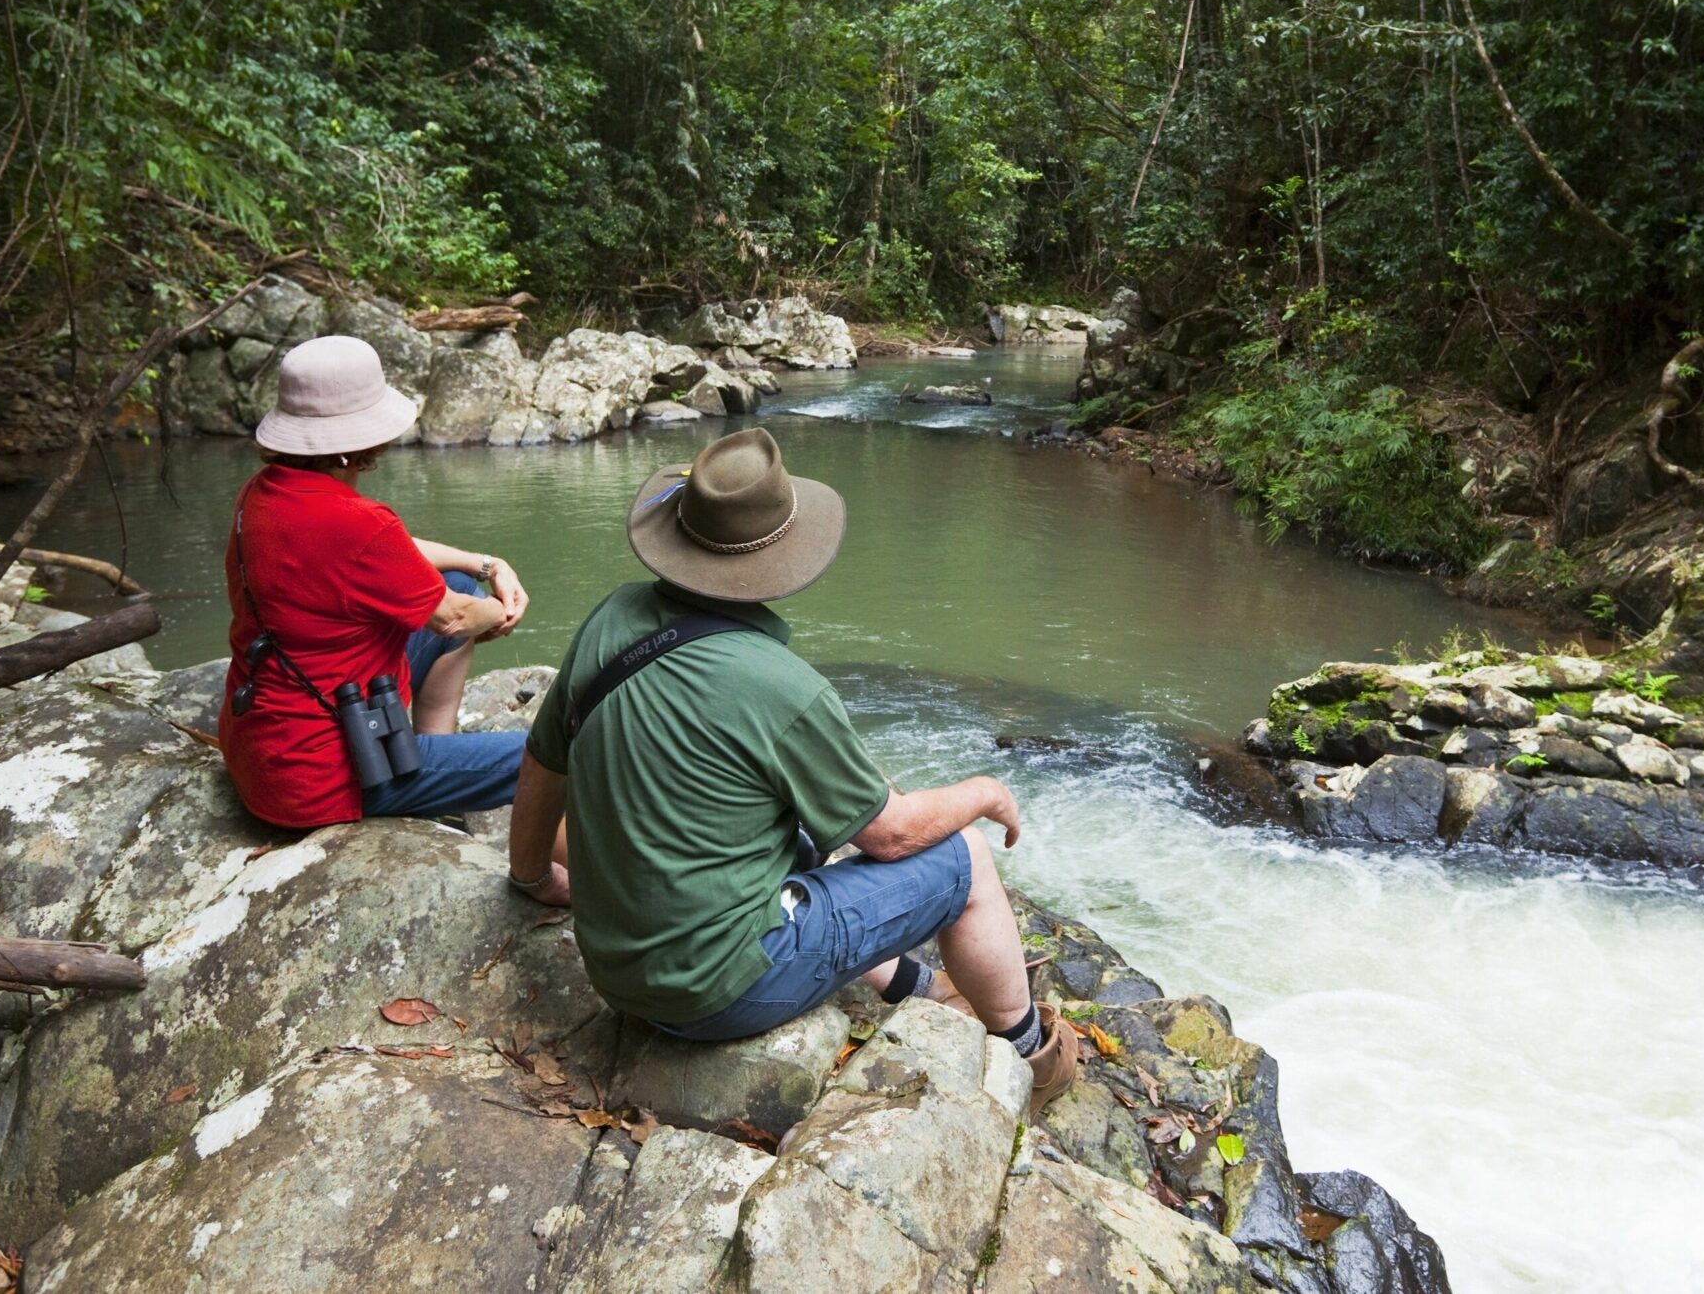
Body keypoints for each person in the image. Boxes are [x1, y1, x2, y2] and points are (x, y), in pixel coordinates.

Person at [505, 427, 1078, 1107]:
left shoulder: (611, 619)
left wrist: (533, 874)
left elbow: (545, 762)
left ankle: (915, 987)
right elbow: (891, 835)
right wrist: (983, 789)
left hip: (617, 970)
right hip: (718, 994)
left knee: (805, 833)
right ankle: (1028, 1057)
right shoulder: (783, 684)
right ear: (779, 556)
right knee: (967, 859)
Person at [218, 333, 549, 849]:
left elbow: (394, 552)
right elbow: (456, 618)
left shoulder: (261, 493)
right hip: (326, 776)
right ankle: (541, 878)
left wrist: (485, 564)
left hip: (260, 750)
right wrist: (498, 610)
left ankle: (433, 760)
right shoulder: (357, 523)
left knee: (455, 581)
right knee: (554, 755)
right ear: (359, 441)